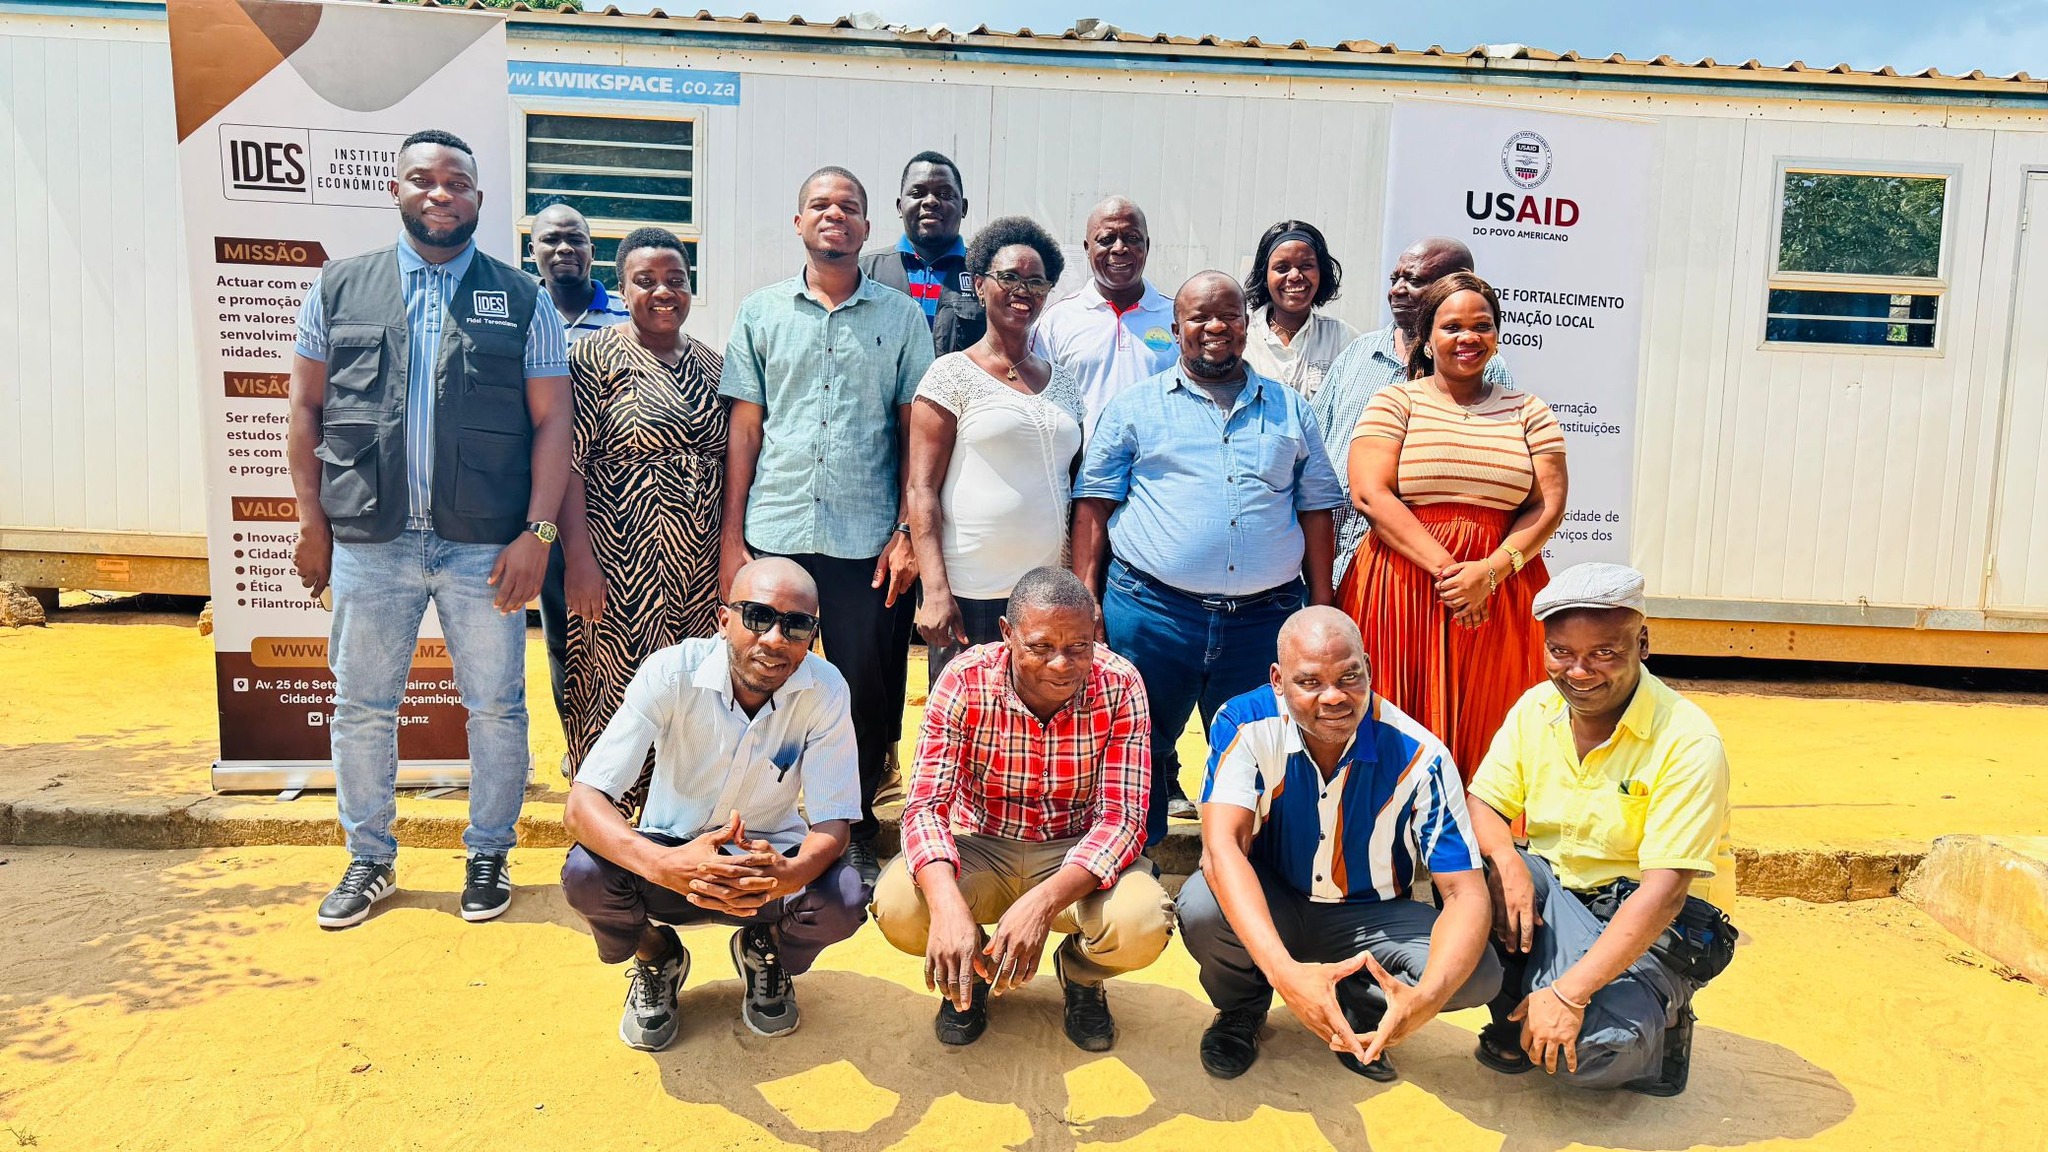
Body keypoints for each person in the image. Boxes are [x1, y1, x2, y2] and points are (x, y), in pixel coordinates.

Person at [286, 129, 571, 928]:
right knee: (364, 706)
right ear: (397, 191)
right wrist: (313, 524)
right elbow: (305, 410)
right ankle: (369, 859)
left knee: (497, 707)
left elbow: (554, 424)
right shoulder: (340, 288)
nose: (440, 193)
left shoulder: (521, 298)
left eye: (457, 182)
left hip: (483, 541)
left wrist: (537, 535)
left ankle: (488, 852)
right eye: (423, 179)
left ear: (480, 200)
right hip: (369, 541)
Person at [719, 166, 936, 890]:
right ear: (798, 222)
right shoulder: (760, 313)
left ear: (870, 230)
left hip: (867, 542)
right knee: (763, 683)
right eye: (819, 205)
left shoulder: (903, 318)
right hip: (775, 532)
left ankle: (856, 831)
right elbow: (744, 432)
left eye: (848, 208)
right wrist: (732, 540)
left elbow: (914, 433)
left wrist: (907, 529)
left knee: (867, 689)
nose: (833, 216)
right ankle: (762, 822)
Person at [1072, 271, 1344, 843]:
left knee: (1263, 757)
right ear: (1176, 329)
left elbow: (1319, 509)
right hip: (1151, 616)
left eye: (1229, 316)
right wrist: (1086, 601)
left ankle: (1246, 888)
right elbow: (1094, 507)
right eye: (1199, 317)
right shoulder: (1134, 408)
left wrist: (1319, 606)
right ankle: (1126, 886)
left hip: (1264, 622)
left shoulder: (1291, 410)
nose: (1215, 326)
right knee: (1134, 752)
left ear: (1247, 326)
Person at [1178, 607, 1501, 1082]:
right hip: (1278, 900)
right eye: (1310, 682)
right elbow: (1221, 849)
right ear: (1277, 680)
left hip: (1370, 916)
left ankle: (1364, 1007)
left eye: (1350, 676)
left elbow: (1465, 892)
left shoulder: (1421, 753)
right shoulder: (1245, 723)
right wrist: (1286, 977)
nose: (1334, 697)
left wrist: (1425, 1000)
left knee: (1476, 973)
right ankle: (1243, 1009)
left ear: (1368, 667)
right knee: (1203, 907)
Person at [560, 558, 867, 1048]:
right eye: (757, 617)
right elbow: (582, 803)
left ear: (813, 634)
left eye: (796, 625)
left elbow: (834, 824)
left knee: (844, 897)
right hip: (670, 857)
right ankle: (656, 954)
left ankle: (765, 949)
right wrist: (664, 863)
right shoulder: (670, 673)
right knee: (586, 874)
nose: (774, 639)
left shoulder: (826, 689)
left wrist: (788, 875)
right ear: (724, 621)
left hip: (762, 869)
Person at [874, 567, 1172, 1053]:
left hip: (1073, 853)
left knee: (1143, 922)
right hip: (981, 847)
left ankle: (1081, 974)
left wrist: (1043, 903)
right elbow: (926, 805)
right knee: (900, 907)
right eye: (1040, 647)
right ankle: (970, 971)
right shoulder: (964, 679)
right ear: (1008, 635)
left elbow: (1123, 820)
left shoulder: (1120, 684)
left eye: (1079, 646)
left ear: (1095, 633)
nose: (1062, 664)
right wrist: (949, 907)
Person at [1465, 564, 1736, 1096]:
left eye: (1604, 653)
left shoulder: (1688, 741)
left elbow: (1664, 894)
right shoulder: (1535, 708)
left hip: (1648, 916)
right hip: (1556, 888)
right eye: (1561, 651)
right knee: (1471, 884)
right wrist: (1507, 866)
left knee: (1594, 1049)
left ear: (1642, 643)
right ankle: (1518, 1013)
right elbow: (1483, 804)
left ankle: (1665, 1028)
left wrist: (1570, 995)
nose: (1579, 671)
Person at [1336, 271, 1566, 780]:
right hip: (1403, 588)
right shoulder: (1395, 402)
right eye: (1452, 326)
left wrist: (1490, 572)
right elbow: (1371, 494)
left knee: (1495, 721)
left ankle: (1484, 846)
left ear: (1497, 335)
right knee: (1396, 719)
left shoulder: (1530, 412)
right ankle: (1385, 846)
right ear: (1427, 336)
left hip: (1502, 592)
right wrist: (1455, 575)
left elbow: (1546, 506)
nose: (1468, 338)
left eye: (1482, 325)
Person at [559, 227, 728, 810]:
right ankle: (607, 817)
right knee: (620, 684)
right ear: (620, 286)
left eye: (675, 281)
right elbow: (569, 467)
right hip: (622, 560)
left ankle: (678, 812)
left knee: (694, 686)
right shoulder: (591, 357)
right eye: (645, 281)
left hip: (699, 564)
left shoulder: (712, 362)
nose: (663, 292)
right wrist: (578, 562)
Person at [905, 216, 1082, 682]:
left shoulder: (1063, 382)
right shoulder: (950, 375)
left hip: (1046, 594)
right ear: (980, 285)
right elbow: (921, 489)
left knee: (1037, 731)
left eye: (1036, 281)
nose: (1023, 289)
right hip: (970, 595)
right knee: (968, 735)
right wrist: (935, 589)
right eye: (1009, 277)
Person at [1312, 238, 1514, 583]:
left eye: (1415, 280)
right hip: (1331, 561)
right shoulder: (1358, 353)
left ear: (1456, 284)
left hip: (1413, 574)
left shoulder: (1487, 372)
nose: (1398, 291)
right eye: (1395, 280)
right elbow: (1313, 446)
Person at [530, 202, 632, 749]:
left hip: (617, 505)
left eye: (576, 239)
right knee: (563, 629)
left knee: (622, 626)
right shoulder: (521, 313)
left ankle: (629, 747)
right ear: (533, 252)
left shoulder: (626, 313)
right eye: (551, 240)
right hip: (543, 501)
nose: (564, 248)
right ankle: (579, 748)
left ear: (594, 251)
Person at [1032, 196, 1178, 432]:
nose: (1120, 248)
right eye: (1106, 240)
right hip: (1082, 468)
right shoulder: (1056, 321)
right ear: (1087, 248)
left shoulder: (1176, 317)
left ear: (1147, 246)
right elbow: (1037, 405)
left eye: (1132, 238)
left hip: (1158, 468)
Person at [860, 150, 983, 355]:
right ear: (900, 207)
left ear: (964, 207)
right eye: (917, 193)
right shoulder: (864, 273)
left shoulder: (986, 275)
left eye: (944, 194)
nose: (930, 201)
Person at [1239, 221, 1358, 401]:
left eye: (1306, 266)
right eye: (1282, 268)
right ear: (1264, 276)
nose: (1295, 276)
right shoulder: (1242, 335)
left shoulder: (1343, 338)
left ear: (1321, 273)